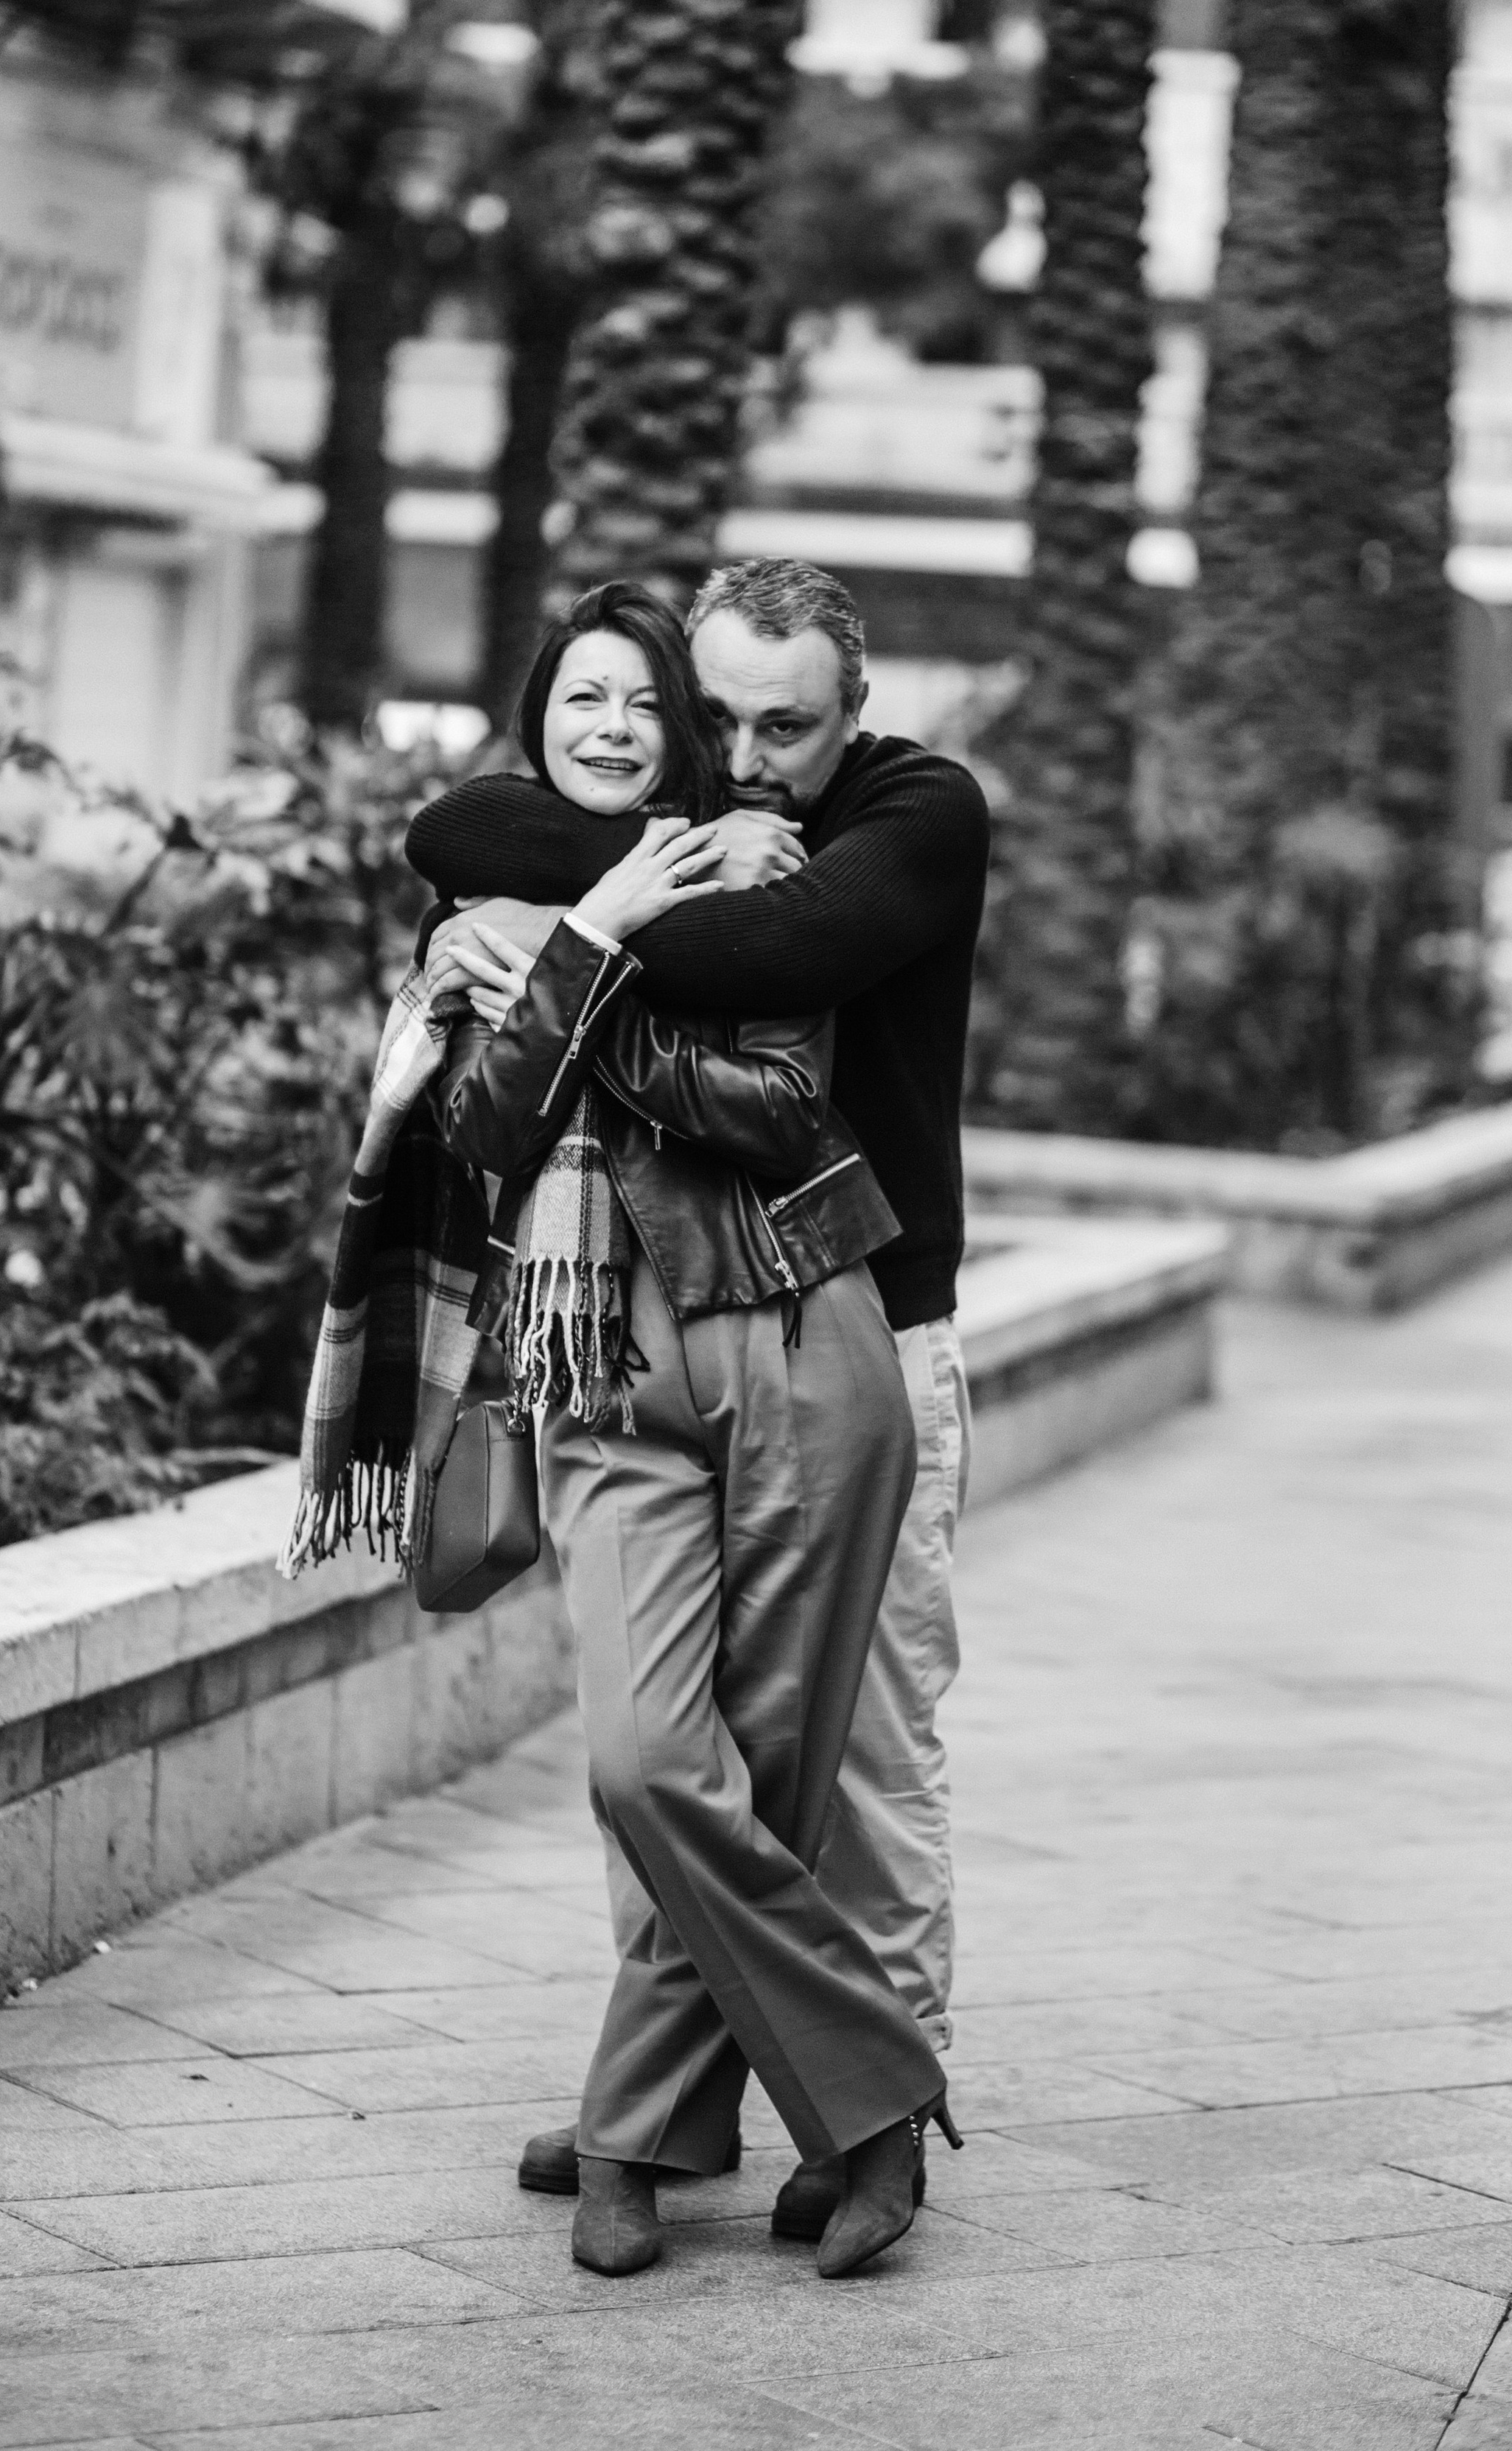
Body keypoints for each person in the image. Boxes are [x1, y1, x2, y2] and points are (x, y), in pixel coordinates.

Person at [409, 558, 991, 2240]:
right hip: (639, 1323)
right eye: (707, 718)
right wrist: (633, 888)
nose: (740, 758)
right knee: (659, 1763)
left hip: (870, 1320)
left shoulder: (914, 811)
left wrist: (569, 946)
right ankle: (691, 2101)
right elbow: (455, 828)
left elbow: (776, 946)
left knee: (855, 1761)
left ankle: (825, 2105)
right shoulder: (692, 812)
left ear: (851, 714)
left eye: (779, 727)